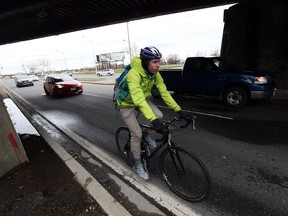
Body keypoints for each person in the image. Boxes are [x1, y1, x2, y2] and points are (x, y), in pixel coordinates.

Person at [115, 46, 191, 180]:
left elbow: (164, 93)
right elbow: (138, 99)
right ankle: (137, 164)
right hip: (126, 104)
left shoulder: (155, 75)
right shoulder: (134, 74)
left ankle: (146, 133)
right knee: (136, 134)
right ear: (146, 63)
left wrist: (179, 110)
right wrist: (155, 123)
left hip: (140, 101)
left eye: (158, 62)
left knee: (159, 115)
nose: (158, 65)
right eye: (154, 62)